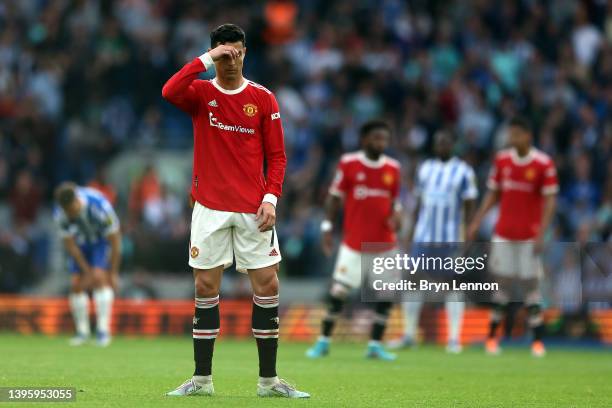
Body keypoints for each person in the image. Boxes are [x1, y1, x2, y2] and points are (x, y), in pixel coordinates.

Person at [162, 23, 309, 398]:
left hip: (252, 209)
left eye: (237, 52)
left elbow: (277, 156)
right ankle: (201, 381)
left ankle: (269, 382)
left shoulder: (263, 98)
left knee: (268, 285)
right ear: (214, 54)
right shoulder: (200, 93)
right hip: (209, 207)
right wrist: (205, 60)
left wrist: (271, 198)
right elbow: (169, 90)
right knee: (205, 288)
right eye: (224, 53)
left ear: (246, 53)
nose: (232, 59)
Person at [306, 120, 401, 361]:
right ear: (364, 140)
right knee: (338, 291)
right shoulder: (349, 164)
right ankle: (323, 342)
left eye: (384, 139)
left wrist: (397, 216)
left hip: (384, 245)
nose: (381, 143)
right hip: (354, 243)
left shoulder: (393, 168)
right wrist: (327, 227)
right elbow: (334, 198)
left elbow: (395, 202)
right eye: (376, 138)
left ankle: (375, 345)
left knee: (386, 295)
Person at [467, 116, 558, 357]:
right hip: (504, 234)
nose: (512, 139)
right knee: (501, 286)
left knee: (531, 286)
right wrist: (476, 220)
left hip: (528, 236)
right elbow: (493, 194)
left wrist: (541, 232)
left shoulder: (543, 163)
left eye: (517, 134)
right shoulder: (502, 160)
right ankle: (491, 338)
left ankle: (537, 342)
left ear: (528, 136)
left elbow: (550, 201)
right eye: (510, 134)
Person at [388, 130, 478, 353]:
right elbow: (418, 204)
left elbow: (469, 208)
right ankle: (409, 334)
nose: (442, 146)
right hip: (423, 236)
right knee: (412, 281)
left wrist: (467, 237)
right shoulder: (426, 169)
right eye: (439, 142)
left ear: (453, 144)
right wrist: (409, 235)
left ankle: (454, 338)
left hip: (448, 238)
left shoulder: (464, 171)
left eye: (446, 142)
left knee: (452, 284)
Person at [54, 182, 121, 347]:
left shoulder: (99, 206)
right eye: (67, 212)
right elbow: (70, 245)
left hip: (100, 242)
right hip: (81, 244)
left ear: (77, 201)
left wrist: (113, 273)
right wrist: (86, 270)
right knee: (76, 284)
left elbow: (115, 241)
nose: (70, 215)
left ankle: (103, 331)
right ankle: (82, 332)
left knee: (99, 278)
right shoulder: (60, 213)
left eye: (72, 210)